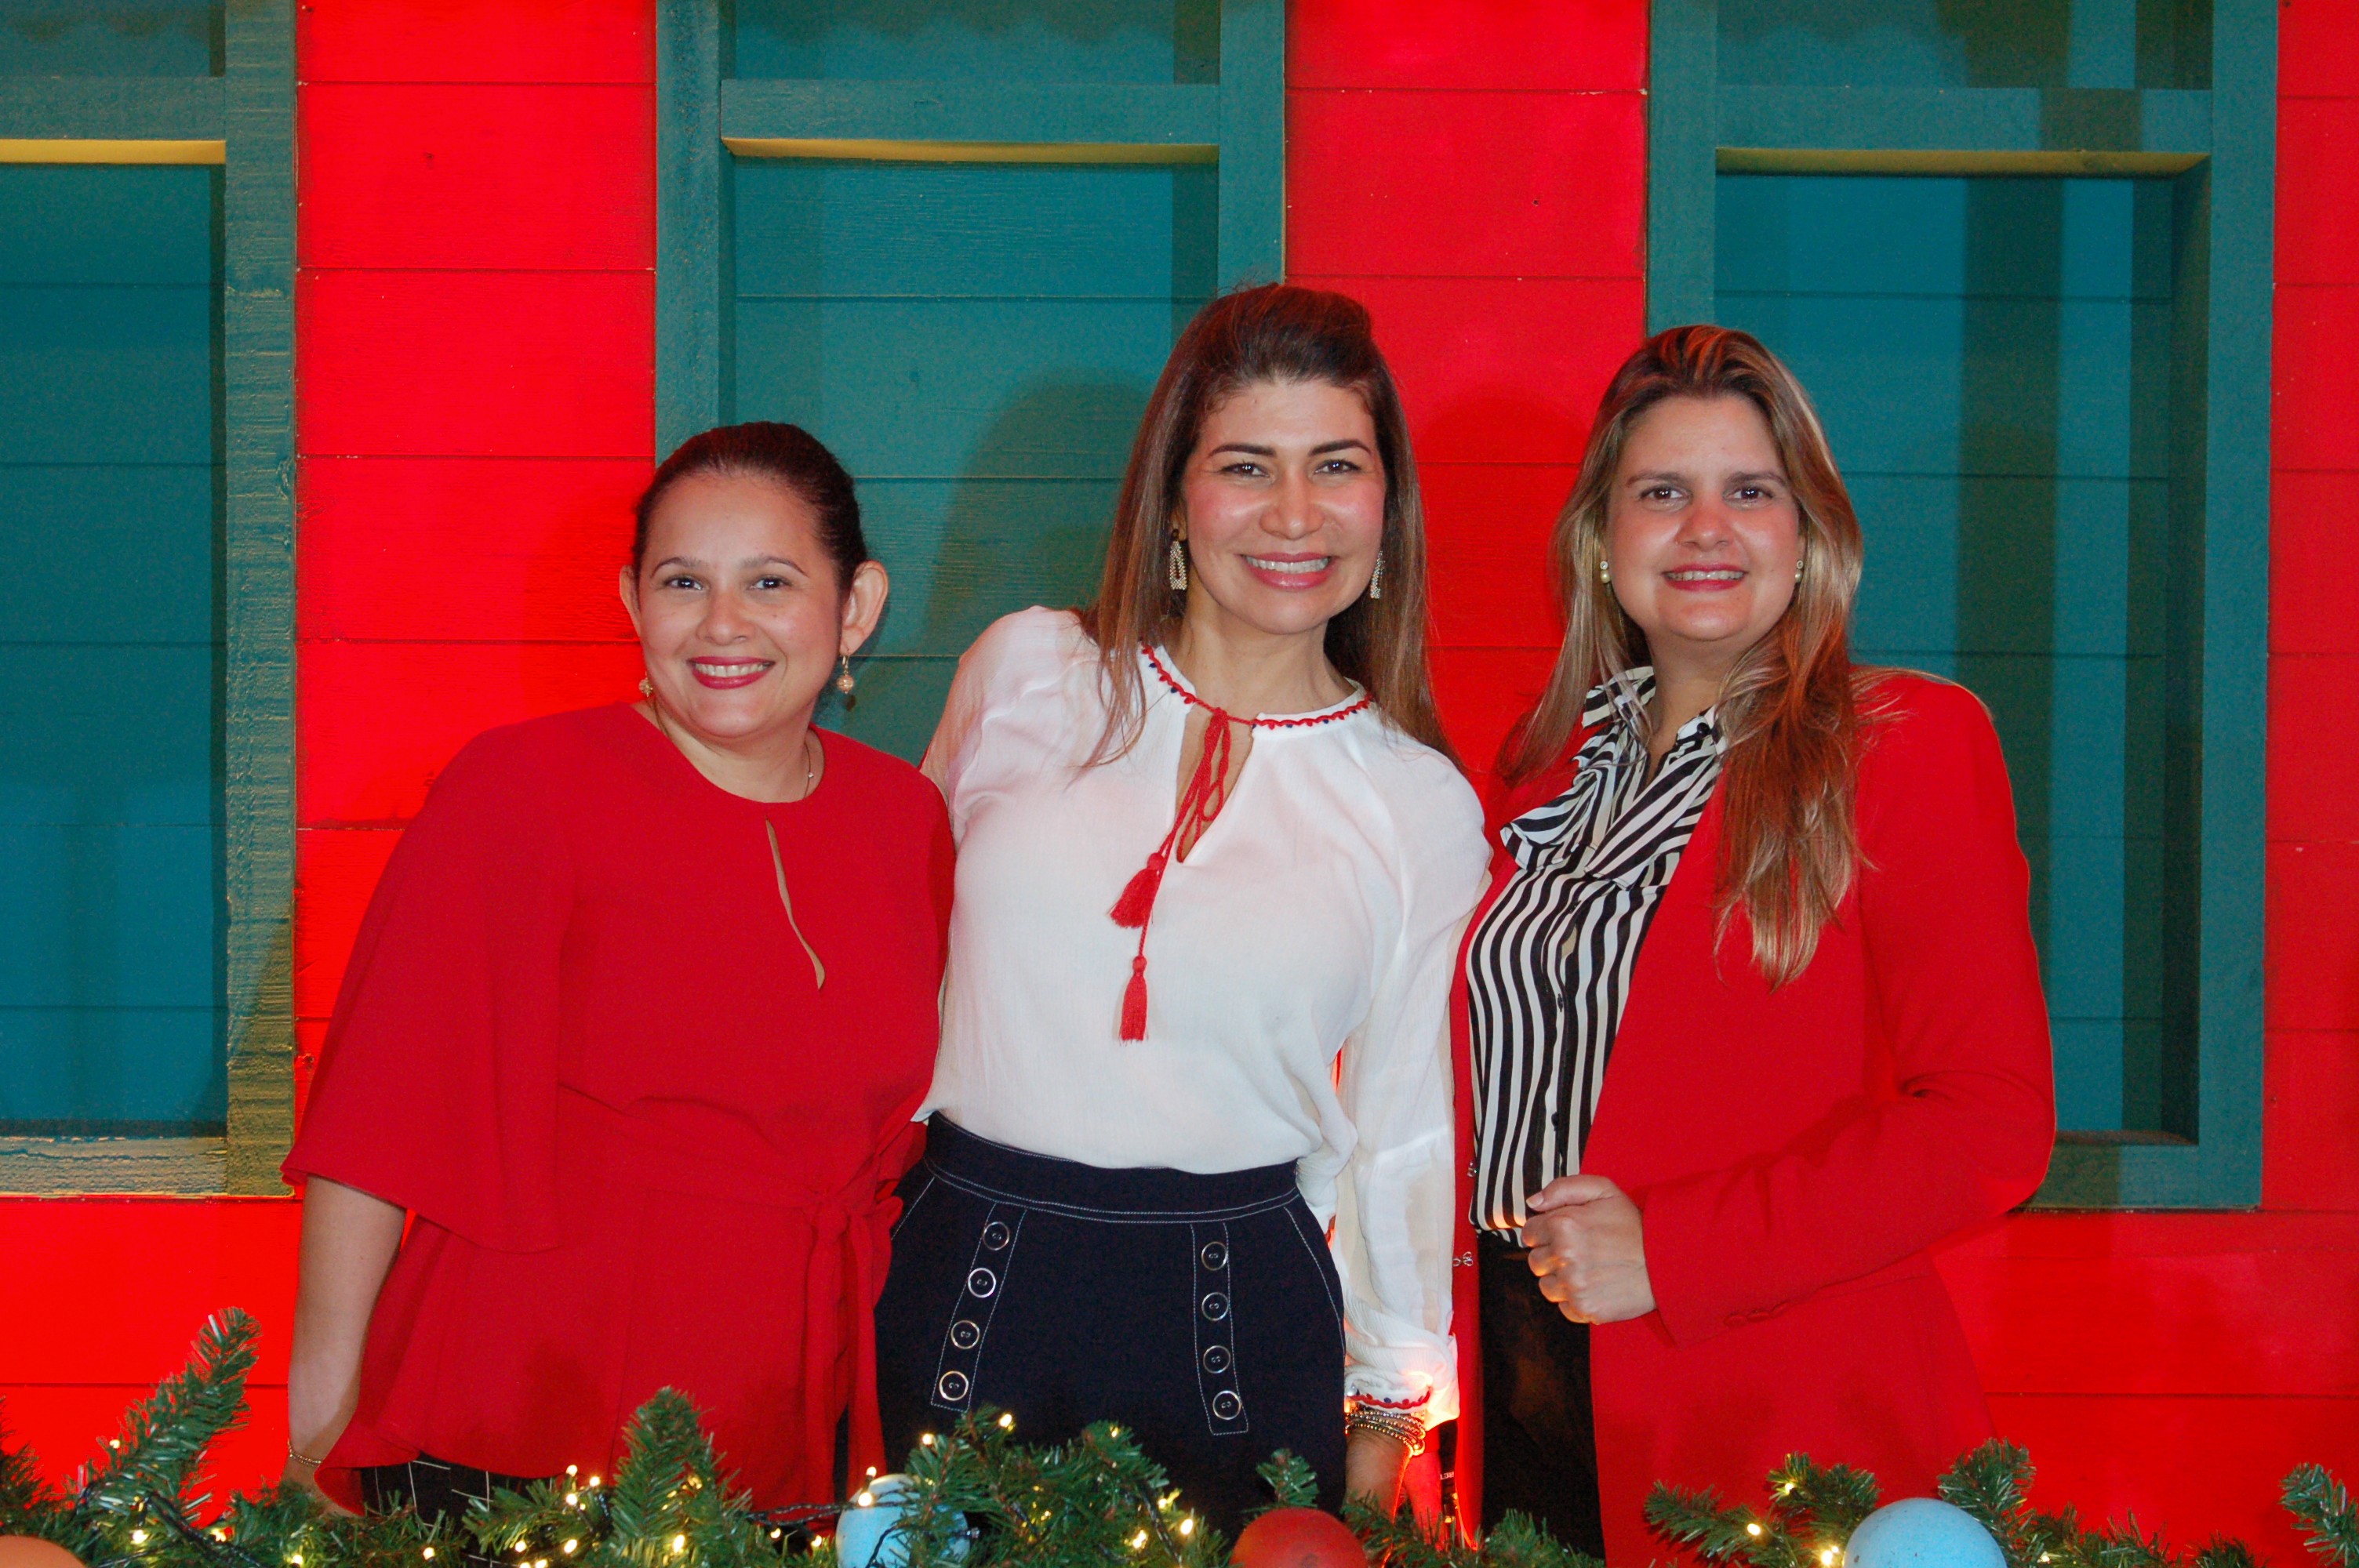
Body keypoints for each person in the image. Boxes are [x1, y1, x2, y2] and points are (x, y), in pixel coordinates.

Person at [874, 284, 1490, 1530]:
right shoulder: (1027, 670)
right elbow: (894, 964)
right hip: (964, 1275)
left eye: (1337, 466)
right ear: (1173, 498)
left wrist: (1388, 1410)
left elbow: (1403, 1127)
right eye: (1246, 466)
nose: (1294, 513)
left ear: (1388, 507)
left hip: (1238, 1313)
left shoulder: (1419, 801)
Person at [1448, 326, 2055, 1560]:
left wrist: (1671, 1252)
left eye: (1751, 492)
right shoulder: (1539, 771)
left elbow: (1992, 1124)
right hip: (1518, 1375)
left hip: (1774, 1400)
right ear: (1601, 539)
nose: (1706, 529)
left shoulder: (1906, 746)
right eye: (1661, 493)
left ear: (1809, 536)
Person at [279, 423, 954, 1521]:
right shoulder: (523, 788)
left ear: (857, 607)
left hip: (793, 1419)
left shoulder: (904, 817)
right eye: (683, 582)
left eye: (770, 582)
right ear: (634, 603)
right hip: (523, 1415)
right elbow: (376, 1131)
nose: (722, 623)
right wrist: (316, 1448)